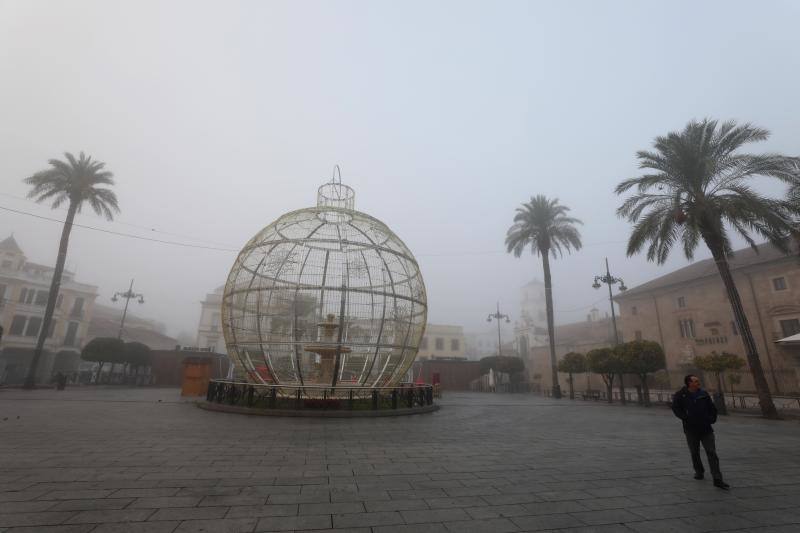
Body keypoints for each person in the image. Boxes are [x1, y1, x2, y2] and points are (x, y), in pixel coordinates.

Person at [671, 374, 729, 490]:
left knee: (711, 452)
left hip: (706, 428)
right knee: (694, 452)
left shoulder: (703, 394)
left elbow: (711, 408)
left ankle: (717, 478)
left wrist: (711, 418)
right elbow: (675, 408)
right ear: (689, 383)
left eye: (698, 381)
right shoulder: (681, 395)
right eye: (696, 381)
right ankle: (699, 471)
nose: (698, 383)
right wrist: (685, 417)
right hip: (691, 429)